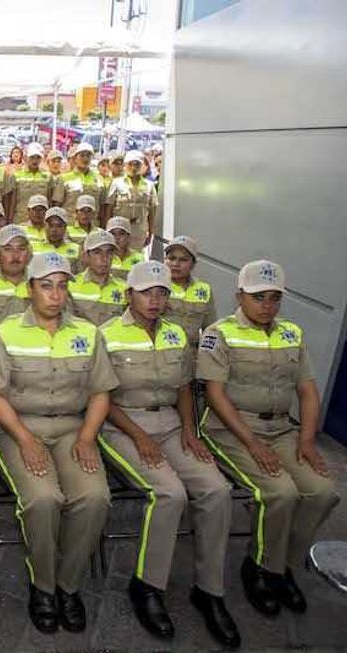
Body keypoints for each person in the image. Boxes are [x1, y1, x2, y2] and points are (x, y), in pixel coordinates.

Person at [98, 261, 239, 647]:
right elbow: (102, 399)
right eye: (147, 292)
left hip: (173, 426)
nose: (155, 300)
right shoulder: (106, 334)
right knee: (170, 493)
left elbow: (182, 390)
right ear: (129, 295)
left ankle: (209, 590)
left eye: (162, 293)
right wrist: (140, 436)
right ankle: (147, 586)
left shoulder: (176, 334)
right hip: (124, 426)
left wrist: (191, 432)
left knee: (217, 490)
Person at [0, 251, 117, 634]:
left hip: (74, 428)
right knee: (44, 499)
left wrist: (87, 437)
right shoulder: (5, 333)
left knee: (94, 497)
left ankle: (68, 585)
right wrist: (25, 439)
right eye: (46, 286)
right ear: (30, 289)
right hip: (18, 428)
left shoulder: (88, 333)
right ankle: (43, 585)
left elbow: (101, 392)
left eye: (61, 286)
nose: (55, 295)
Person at [198, 260, 339, 618]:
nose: (267, 305)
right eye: (259, 297)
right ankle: (259, 568)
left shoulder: (291, 333)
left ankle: (283, 565)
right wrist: (252, 443)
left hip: (281, 429)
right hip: (232, 429)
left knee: (323, 492)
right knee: (280, 493)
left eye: (275, 298)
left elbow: (307, 391)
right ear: (240, 296)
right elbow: (215, 395)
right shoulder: (220, 333)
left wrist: (307, 440)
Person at [163, 235, 216, 349]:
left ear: (193, 264)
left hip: (192, 354)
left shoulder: (204, 290)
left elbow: (210, 330)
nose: (175, 264)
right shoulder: (155, 287)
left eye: (183, 260)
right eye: (171, 258)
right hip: (163, 352)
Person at [68, 230, 128, 326]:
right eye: (97, 252)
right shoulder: (71, 286)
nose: (104, 258)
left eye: (109, 252)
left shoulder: (125, 289)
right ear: (86, 256)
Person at [103, 150, 158, 249]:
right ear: (125, 165)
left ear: (142, 166)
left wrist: (151, 232)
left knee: (136, 256)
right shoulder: (117, 183)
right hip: (118, 230)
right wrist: (107, 230)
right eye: (130, 164)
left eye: (137, 164)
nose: (133, 168)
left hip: (139, 231)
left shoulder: (149, 186)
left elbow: (152, 212)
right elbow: (109, 208)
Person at [52, 142, 104, 218]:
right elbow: (57, 204)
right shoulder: (64, 178)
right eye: (82, 155)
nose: (85, 159)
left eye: (88, 156)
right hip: (70, 223)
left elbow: (102, 206)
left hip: (92, 223)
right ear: (75, 158)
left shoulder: (99, 179)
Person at [11, 143, 54, 223]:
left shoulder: (47, 176)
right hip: (21, 219)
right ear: (25, 158)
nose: (35, 160)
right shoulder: (17, 175)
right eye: (32, 157)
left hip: (41, 220)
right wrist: (10, 219)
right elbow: (12, 200)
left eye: (38, 157)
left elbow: (49, 200)